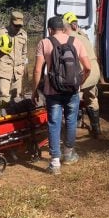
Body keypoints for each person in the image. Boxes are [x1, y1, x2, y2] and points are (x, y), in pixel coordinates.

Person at [32, 16, 91, 175]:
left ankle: (55, 163)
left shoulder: (44, 43)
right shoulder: (76, 41)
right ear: (64, 28)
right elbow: (88, 67)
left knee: (54, 123)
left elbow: (38, 70)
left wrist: (34, 91)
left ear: (50, 29)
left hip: (53, 91)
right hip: (72, 91)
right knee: (71, 121)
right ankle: (68, 154)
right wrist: (79, 83)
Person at [63, 12, 102, 138]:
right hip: (94, 71)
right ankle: (96, 130)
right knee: (91, 98)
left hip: (83, 72)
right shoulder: (84, 35)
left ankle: (70, 133)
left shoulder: (70, 37)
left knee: (72, 100)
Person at [0, 11, 28, 104]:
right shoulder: (1, 33)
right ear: (11, 22)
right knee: (4, 97)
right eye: (16, 26)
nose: (18, 28)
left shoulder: (23, 35)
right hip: (3, 70)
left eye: (20, 26)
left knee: (16, 97)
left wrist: (22, 66)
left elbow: (24, 52)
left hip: (18, 72)